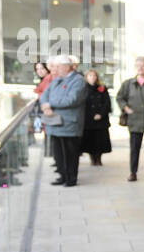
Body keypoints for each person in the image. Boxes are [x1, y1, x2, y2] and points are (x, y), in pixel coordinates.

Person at [40, 54, 86, 187]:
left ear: (67, 67)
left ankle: (71, 178)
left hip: (70, 123)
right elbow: (44, 95)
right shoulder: (57, 79)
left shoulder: (78, 80)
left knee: (70, 153)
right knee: (58, 153)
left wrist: (51, 104)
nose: (55, 69)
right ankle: (62, 175)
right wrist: (45, 106)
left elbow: (72, 99)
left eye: (58, 66)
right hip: (55, 122)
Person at [81, 69, 112, 166]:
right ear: (86, 77)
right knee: (90, 140)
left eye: (94, 76)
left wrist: (101, 114)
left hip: (101, 119)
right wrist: (91, 115)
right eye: (90, 76)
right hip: (88, 119)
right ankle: (92, 159)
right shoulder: (83, 89)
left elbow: (107, 103)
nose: (92, 78)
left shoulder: (102, 88)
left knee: (100, 140)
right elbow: (83, 104)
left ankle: (99, 158)